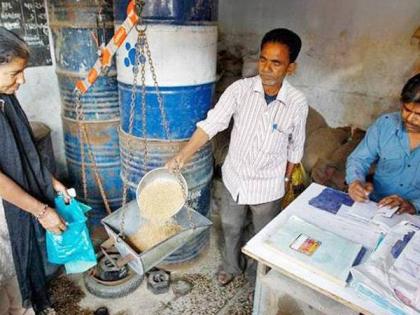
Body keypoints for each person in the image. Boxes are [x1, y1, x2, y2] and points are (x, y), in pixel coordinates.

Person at [166, 28, 308, 285]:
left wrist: (284, 183)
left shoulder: (297, 103)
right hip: (235, 177)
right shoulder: (239, 90)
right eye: (263, 59)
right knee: (230, 227)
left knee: (262, 233)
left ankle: (256, 272)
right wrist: (183, 155)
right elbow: (211, 124)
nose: (266, 68)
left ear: (291, 68)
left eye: (276, 63)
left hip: (268, 184)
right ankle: (231, 266)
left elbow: (295, 148)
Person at [0, 28, 70, 315]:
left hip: (14, 208)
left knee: (19, 267)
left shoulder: (6, 100)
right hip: (4, 212)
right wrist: (41, 211)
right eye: (15, 73)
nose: (23, 80)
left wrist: (51, 182)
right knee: (6, 272)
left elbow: (23, 151)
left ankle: (26, 306)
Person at [346, 73, 420, 214]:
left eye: (419, 115)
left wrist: (412, 205)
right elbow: (359, 158)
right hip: (374, 205)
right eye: (407, 110)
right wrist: (355, 182)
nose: (410, 119)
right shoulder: (386, 124)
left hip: (413, 216)